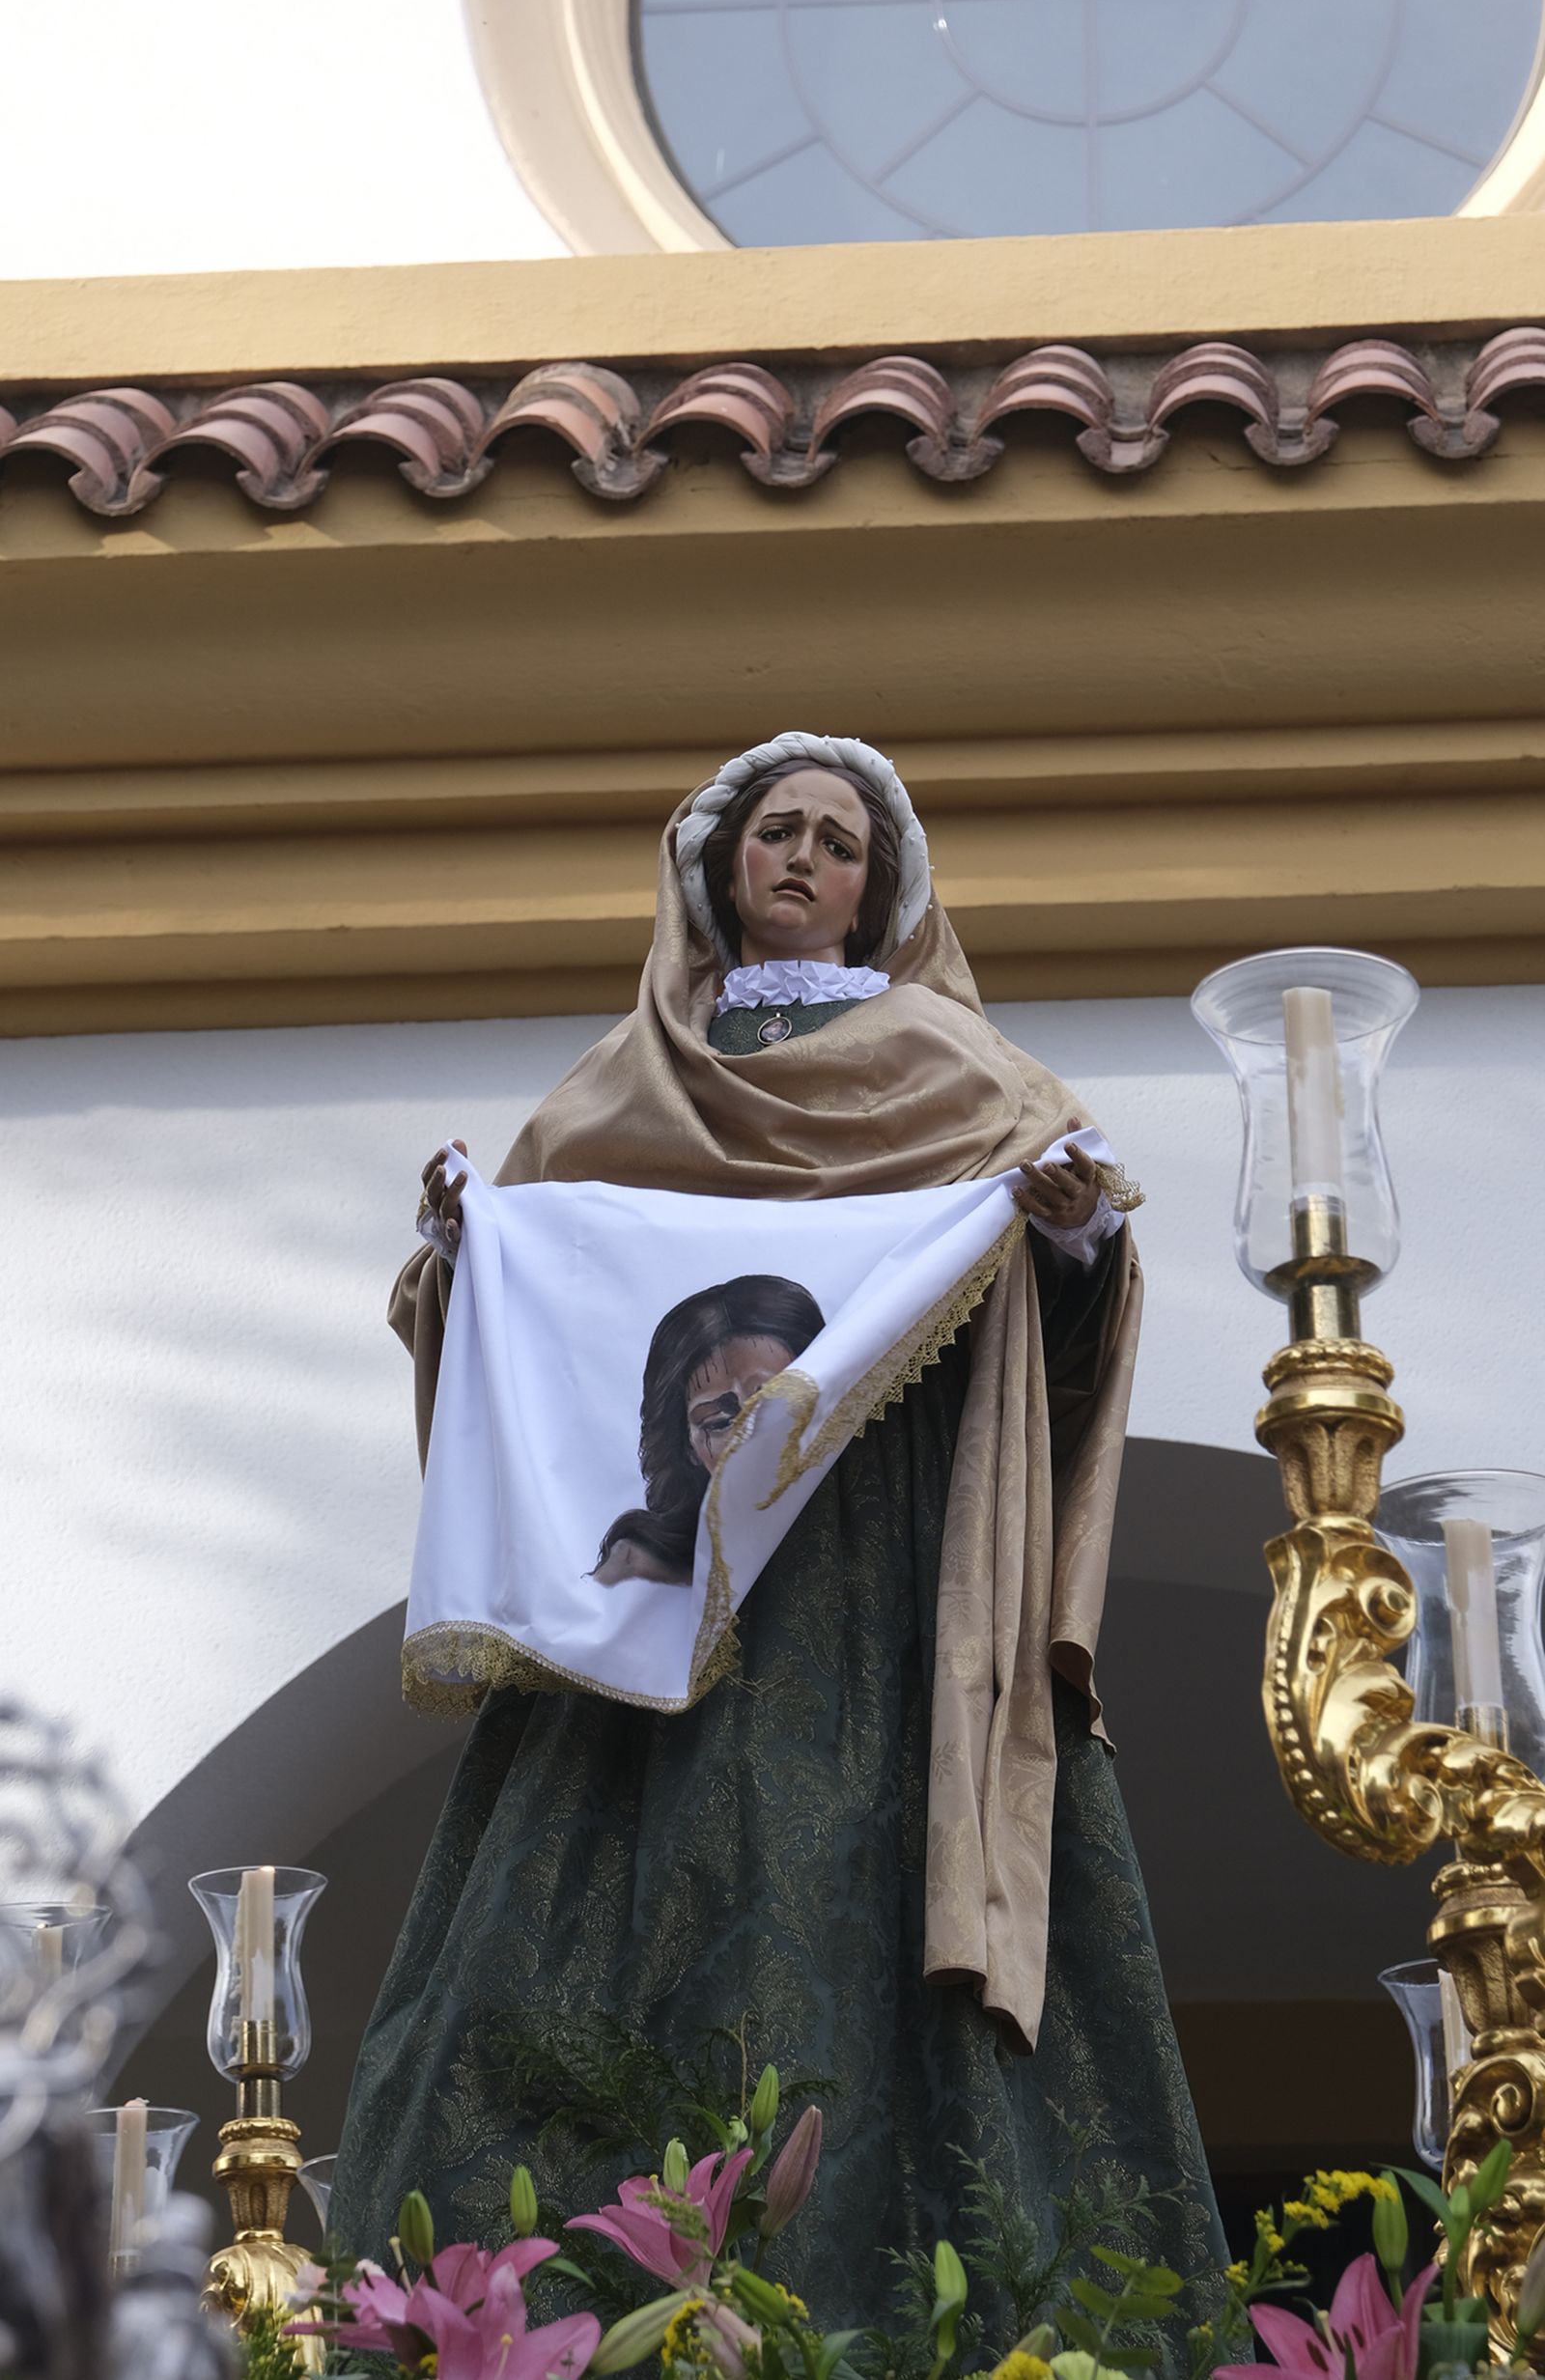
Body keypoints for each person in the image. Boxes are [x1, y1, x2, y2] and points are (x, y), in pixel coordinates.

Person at [329, 733, 1222, 2325]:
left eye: (840, 840)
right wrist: (469, 1255)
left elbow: (1049, 1353)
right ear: (718, 870)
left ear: (881, 891)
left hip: (884, 1595)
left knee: (885, 1920)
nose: (806, 857)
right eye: (777, 832)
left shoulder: (974, 1086)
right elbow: (547, 1355)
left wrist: (1073, 1245)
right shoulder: (617, 1096)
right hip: (659, 1638)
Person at [592, 1274, 826, 1587]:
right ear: (688, 1448)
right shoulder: (642, 1568)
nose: (751, 1435)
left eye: (775, 1404)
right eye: (719, 1422)